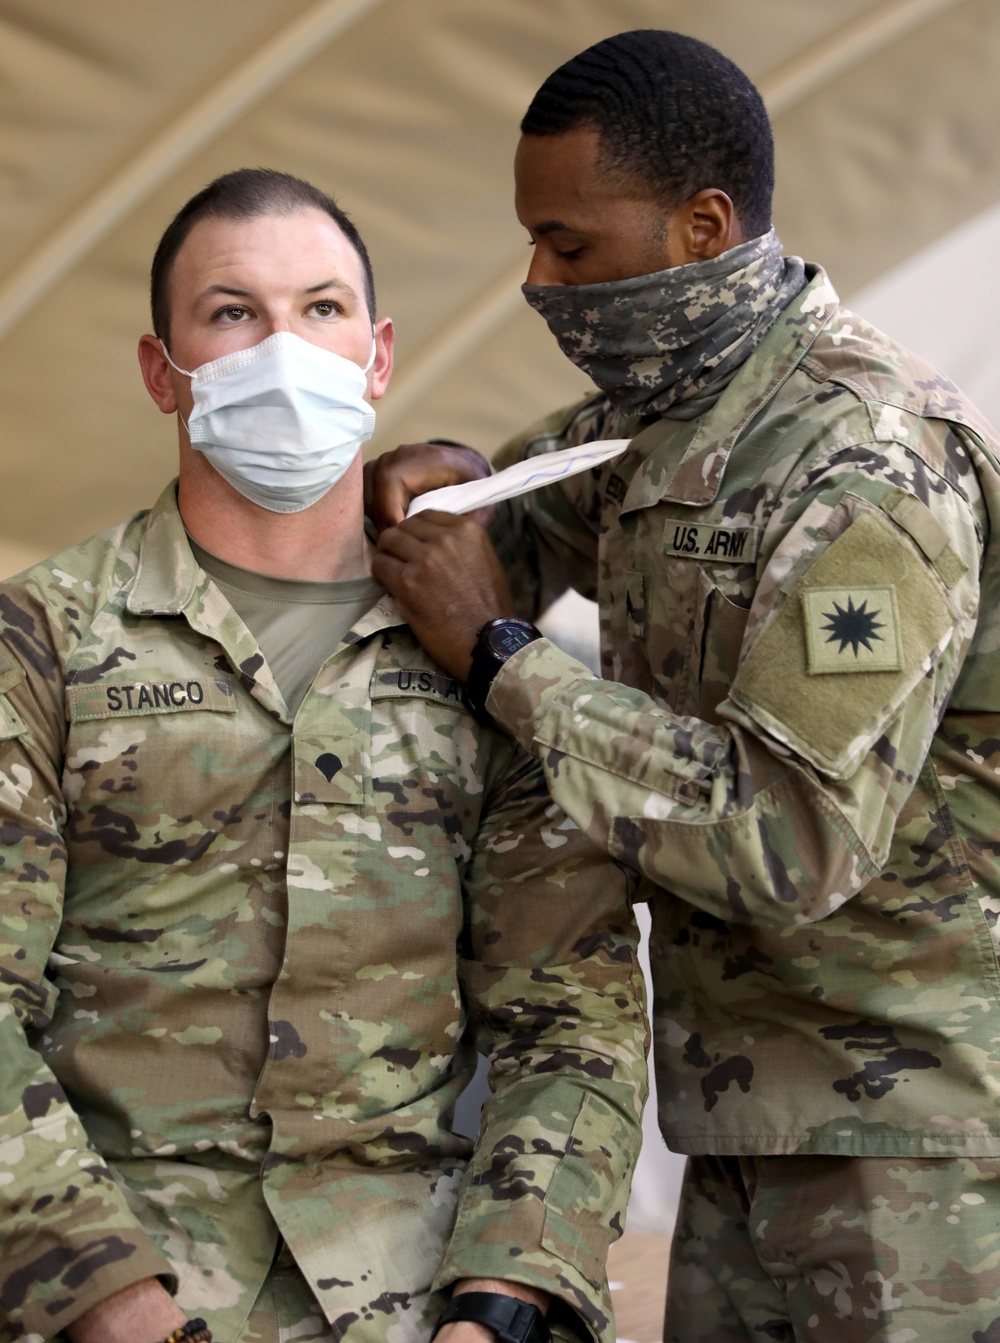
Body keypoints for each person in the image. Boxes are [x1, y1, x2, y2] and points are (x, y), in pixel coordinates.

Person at [367, 29, 1000, 1343]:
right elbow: (493, 527)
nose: (539, 281)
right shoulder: (668, 415)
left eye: (572, 245)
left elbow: (790, 834)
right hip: (742, 1122)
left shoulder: (869, 464)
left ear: (702, 225)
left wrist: (504, 658)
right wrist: (433, 476)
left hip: (914, 1159)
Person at [0, 168, 648, 1343]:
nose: (283, 348)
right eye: (232, 313)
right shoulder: (40, 637)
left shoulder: (483, 652)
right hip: (119, 1292)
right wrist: (109, 1298)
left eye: (321, 309)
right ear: (165, 370)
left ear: (379, 357)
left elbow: (572, 1016)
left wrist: (499, 1305)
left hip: (416, 1293)